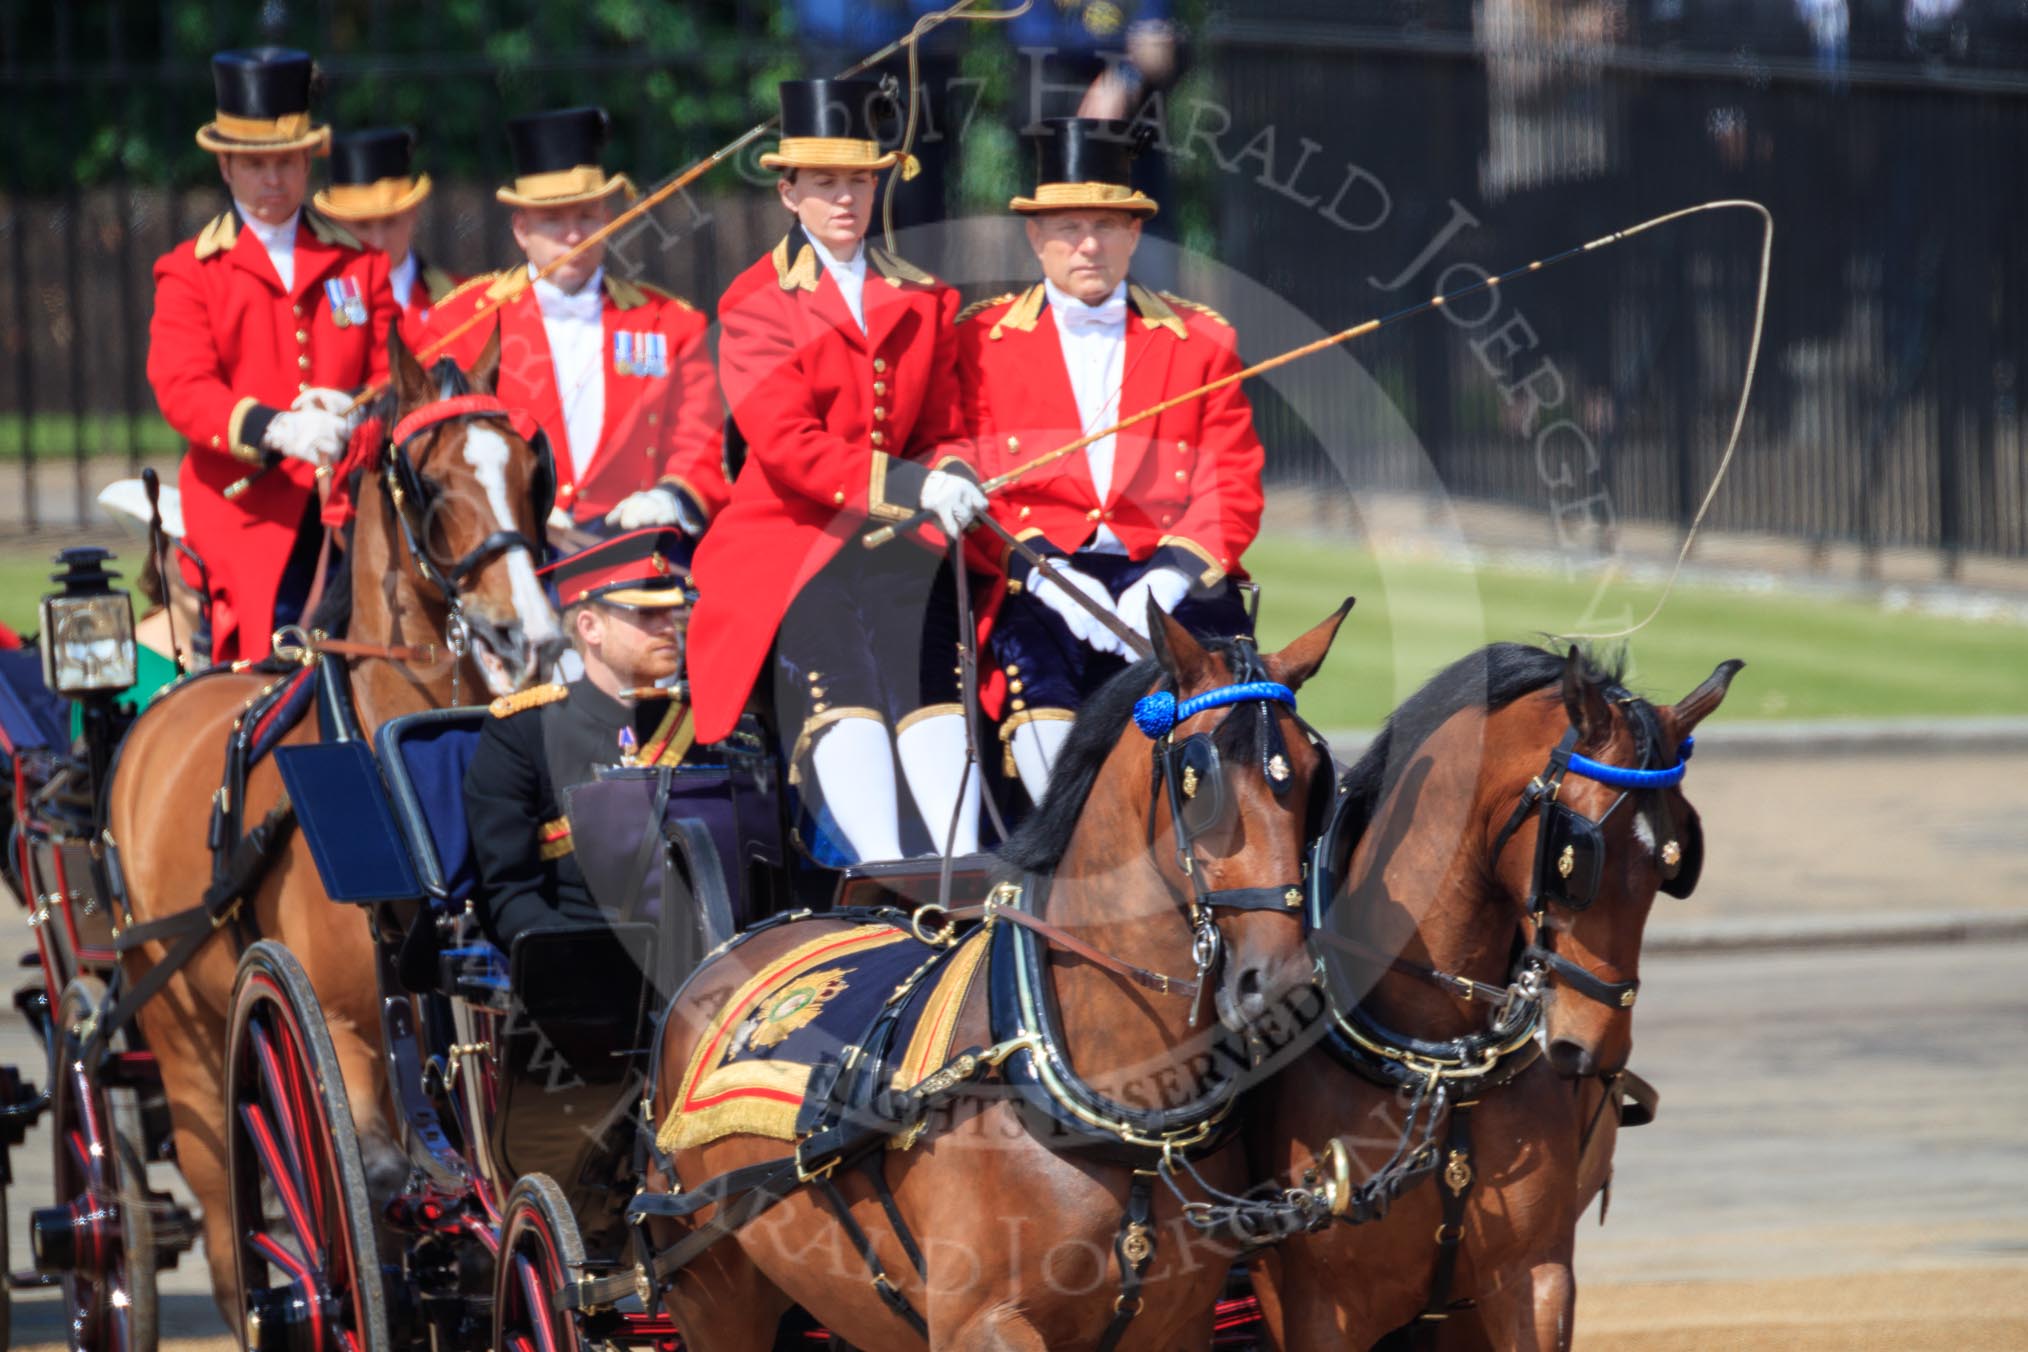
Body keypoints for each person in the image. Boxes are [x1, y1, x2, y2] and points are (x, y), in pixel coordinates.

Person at [686, 78, 989, 863]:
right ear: (789, 192)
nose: (846, 199)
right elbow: (788, 446)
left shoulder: (923, 298)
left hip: (898, 544)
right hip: (792, 543)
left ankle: (960, 867)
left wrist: (953, 471)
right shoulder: (753, 303)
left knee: (930, 670)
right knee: (840, 675)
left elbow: (944, 425)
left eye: (858, 179)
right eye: (825, 183)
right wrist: (916, 486)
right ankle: (882, 871)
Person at [957, 119, 1263, 803]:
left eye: (1106, 225)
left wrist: (1173, 574)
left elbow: (1233, 482)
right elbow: (967, 477)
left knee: (1242, 703)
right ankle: (1063, 851)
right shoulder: (978, 341)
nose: (1087, 245)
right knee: (1033, 672)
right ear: (1036, 237)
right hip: (1038, 574)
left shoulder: (1201, 342)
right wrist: (1041, 571)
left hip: (1170, 572)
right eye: (1067, 227)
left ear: (1134, 233)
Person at [146, 47, 399, 663]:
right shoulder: (190, 271)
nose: (272, 179)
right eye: (256, 164)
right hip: (245, 516)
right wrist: (277, 427)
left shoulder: (359, 264)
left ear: (309, 160)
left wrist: (358, 417)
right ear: (227, 166)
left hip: (348, 510)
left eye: (286, 161)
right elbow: (183, 387)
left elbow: (393, 375)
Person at [422, 107, 727, 542]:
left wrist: (670, 497)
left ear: (606, 219)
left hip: (637, 553)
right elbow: (438, 442)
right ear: (521, 229)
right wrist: (516, 503)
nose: (572, 236)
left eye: (585, 216)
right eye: (553, 219)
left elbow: (702, 436)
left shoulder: (670, 323)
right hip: (513, 554)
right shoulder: (461, 323)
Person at [463, 528, 699, 948]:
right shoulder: (524, 730)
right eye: (647, 615)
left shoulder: (697, 721)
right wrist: (580, 966)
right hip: (585, 979)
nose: (669, 627)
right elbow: (509, 893)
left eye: (671, 612)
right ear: (590, 627)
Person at [312, 127, 460, 346]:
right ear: (338, 224)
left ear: (414, 213)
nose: (379, 241)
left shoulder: (459, 298)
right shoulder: (314, 304)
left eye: (390, 222)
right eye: (362, 226)